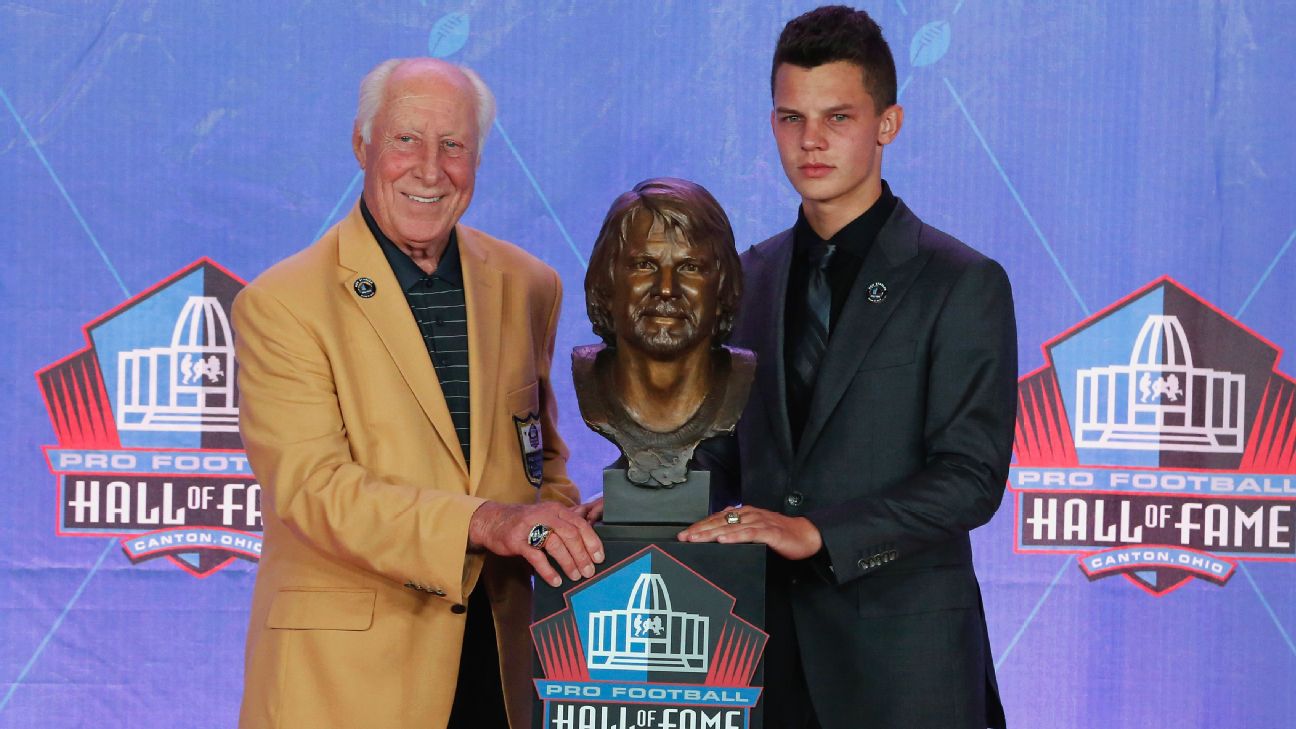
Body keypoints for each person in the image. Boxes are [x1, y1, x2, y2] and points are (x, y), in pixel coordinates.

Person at [233, 57, 602, 729]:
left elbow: (539, 459)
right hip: (344, 686)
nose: (430, 168)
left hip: (500, 670)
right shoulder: (281, 304)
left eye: (453, 145)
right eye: (406, 139)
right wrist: (489, 520)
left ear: (478, 158)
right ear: (362, 144)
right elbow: (316, 490)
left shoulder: (529, 284)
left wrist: (570, 525)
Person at [679, 6, 1016, 728]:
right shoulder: (747, 277)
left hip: (905, 666)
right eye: (791, 118)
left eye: (837, 117)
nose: (811, 141)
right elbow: (719, 450)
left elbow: (972, 475)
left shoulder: (959, 280)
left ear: (886, 123)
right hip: (759, 659)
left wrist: (821, 533)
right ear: (772, 124)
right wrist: (641, 501)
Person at [572, 178, 754, 488]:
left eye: (690, 267)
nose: (667, 288)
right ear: (607, 282)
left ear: (722, 286)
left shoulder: (742, 378)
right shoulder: (589, 378)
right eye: (644, 264)